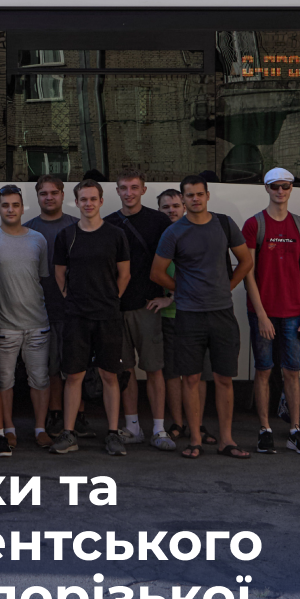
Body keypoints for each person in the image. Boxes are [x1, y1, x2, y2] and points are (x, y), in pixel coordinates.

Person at [151, 176, 253, 459]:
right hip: (189, 316)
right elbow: (157, 272)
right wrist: (182, 291)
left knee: (224, 378)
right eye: (189, 195)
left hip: (221, 313)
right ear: (183, 200)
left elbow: (246, 261)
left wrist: (227, 287)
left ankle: (227, 440)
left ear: (207, 196)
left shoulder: (224, 223)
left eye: (199, 194)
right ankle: (194, 439)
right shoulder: (174, 232)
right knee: (191, 378)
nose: (195, 199)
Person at [49, 180, 131, 457]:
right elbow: (59, 274)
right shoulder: (66, 236)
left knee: (110, 375)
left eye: (93, 199)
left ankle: (112, 433)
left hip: (107, 315)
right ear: (77, 202)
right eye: (83, 199)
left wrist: (110, 300)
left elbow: (125, 274)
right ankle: (69, 433)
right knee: (74, 375)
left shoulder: (116, 235)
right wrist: (72, 299)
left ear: (101, 200)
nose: (88, 204)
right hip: (76, 316)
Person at [242, 167, 300, 456]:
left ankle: (295, 430)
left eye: (285, 186)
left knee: (292, 373)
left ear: (291, 189)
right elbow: (247, 273)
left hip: (293, 313)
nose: (280, 191)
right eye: (275, 187)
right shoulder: (254, 224)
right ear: (266, 189)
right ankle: (265, 429)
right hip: (263, 312)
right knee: (263, 370)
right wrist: (260, 314)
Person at [105, 167, 175, 450]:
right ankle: (133, 427)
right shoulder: (108, 223)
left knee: (155, 369)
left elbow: (176, 262)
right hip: (117, 308)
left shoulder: (160, 221)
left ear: (144, 190)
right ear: (117, 191)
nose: (129, 193)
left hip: (149, 307)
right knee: (125, 372)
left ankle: (159, 429)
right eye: (124, 187)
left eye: (134, 187)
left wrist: (171, 296)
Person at [0, 185, 52, 454]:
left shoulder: (39, 240)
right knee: (4, 381)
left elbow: (42, 278)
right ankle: (8, 429)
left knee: (40, 380)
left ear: (23, 208)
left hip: (37, 323)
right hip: (4, 326)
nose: (10, 209)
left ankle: (40, 429)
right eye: (5, 205)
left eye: (15, 205)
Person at [24, 175, 78, 437]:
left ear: (63, 195)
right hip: (40, 308)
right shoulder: (27, 230)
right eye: (43, 193)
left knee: (74, 365)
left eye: (54, 192)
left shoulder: (78, 226)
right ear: (37, 197)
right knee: (51, 367)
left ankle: (77, 416)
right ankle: (56, 414)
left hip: (75, 307)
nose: (49, 197)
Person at [153, 188, 209, 441]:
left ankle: (198, 423)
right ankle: (177, 424)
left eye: (175, 206)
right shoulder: (160, 237)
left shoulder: (196, 233)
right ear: (159, 211)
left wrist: (173, 295)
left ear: (184, 206)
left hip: (197, 314)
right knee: (173, 373)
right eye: (166, 208)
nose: (171, 211)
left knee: (199, 373)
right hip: (170, 318)